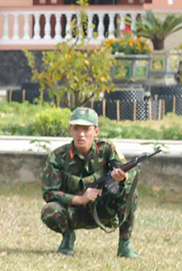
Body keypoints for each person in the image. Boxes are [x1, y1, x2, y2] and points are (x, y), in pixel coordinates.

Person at [41, 106, 141, 258]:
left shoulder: (107, 149)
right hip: (73, 211)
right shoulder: (58, 157)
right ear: (70, 130)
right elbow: (49, 193)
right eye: (76, 128)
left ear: (96, 131)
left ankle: (124, 246)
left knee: (131, 192)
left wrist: (122, 179)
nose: (81, 134)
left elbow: (128, 173)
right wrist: (80, 199)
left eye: (87, 129)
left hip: (104, 210)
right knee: (49, 210)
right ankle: (68, 238)